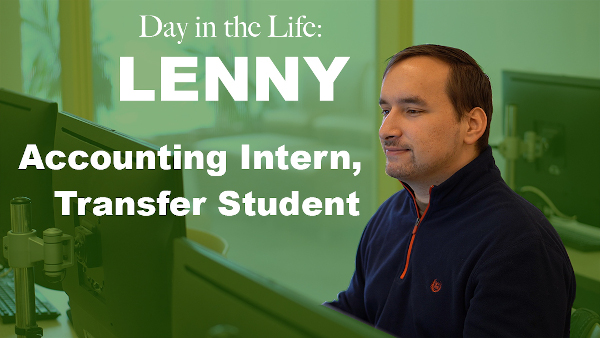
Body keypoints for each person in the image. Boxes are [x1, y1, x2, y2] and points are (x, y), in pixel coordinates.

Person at [325, 44, 576, 337]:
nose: (386, 130)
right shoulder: (391, 215)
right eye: (385, 111)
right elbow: (355, 313)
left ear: (472, 125)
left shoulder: (518, 245)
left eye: (412, 110)